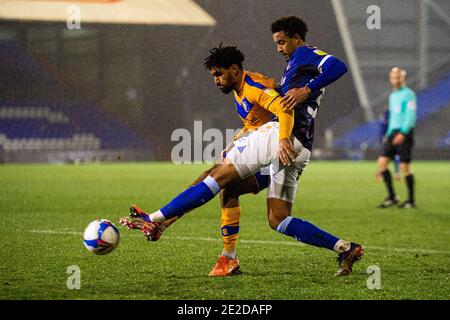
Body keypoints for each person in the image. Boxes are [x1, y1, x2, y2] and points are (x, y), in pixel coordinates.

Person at [121, 17, 364, 276]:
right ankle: (344, 247)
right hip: (300, 146)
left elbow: (335, 69)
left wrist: (305, 92)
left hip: (281, 137)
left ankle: (157, 219)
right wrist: (238, 139)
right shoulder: (286, 69)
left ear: (296, 38)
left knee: (213, 178)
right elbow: (263, 115)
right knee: (276, 218)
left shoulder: (302, 55)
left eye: (282, 42)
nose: (279, 48)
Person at [376, 67, 417, 208]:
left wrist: (403, 133)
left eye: (398, 77)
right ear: (390, 79)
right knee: (382, 164)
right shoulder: (393, 95)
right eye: (394, 77)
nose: (396, 80)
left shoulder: (409, 94)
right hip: (392, 132)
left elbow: (410, 116)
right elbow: (393, 117)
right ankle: (392, 197)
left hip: (404, 133)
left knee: (405, 167)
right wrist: (388, 134)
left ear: (403, 78)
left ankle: (411, 200)